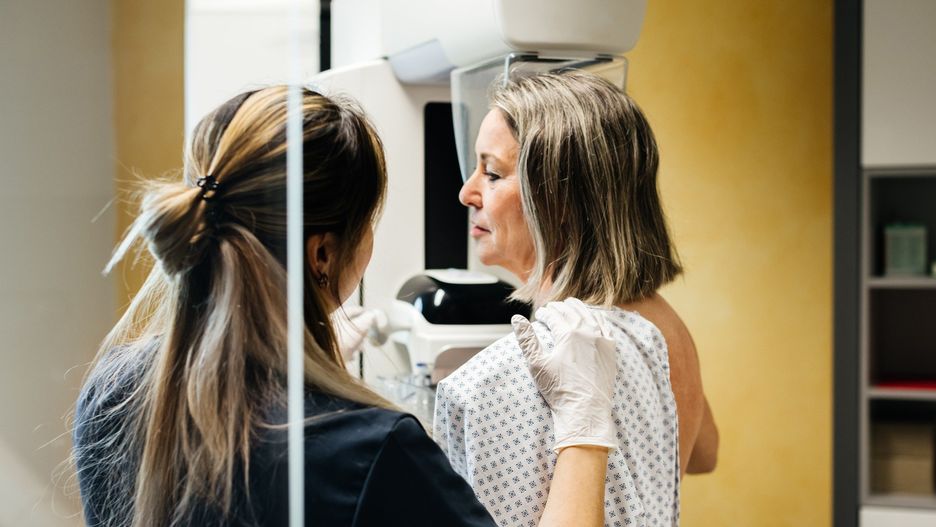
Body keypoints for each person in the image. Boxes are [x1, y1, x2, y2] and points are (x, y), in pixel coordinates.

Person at [72, 86, 619, 526]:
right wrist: (585, 429)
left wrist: (308, 358)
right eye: (369, 223)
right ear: (324, 252)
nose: (467, 192)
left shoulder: (111, 392)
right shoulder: (373, 450)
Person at [434, 70, 719, 527]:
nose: (467, 192)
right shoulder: (663, 326)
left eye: (492, 173)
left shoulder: (515, 372)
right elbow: (703, 454)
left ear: (560, 200)